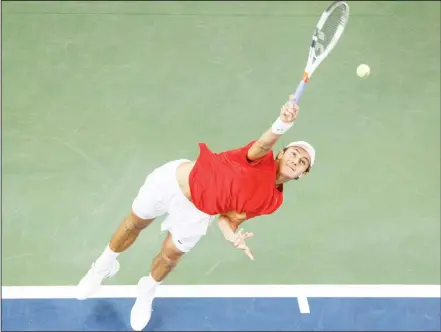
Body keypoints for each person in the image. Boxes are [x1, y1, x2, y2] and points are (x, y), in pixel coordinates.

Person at [76, 94, 316, 331]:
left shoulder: (272, 201)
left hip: (198, 214)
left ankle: (146, 291)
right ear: (281, 153)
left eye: (303, 162)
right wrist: (283, 122)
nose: (296, 160)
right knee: (133, 224)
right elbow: (265, 141)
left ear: (302, 174)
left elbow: (228, 218)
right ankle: (102, 266)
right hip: (173, 182)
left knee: (170, 257)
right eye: (294, 153)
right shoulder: (259, 158)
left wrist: (232, 236)